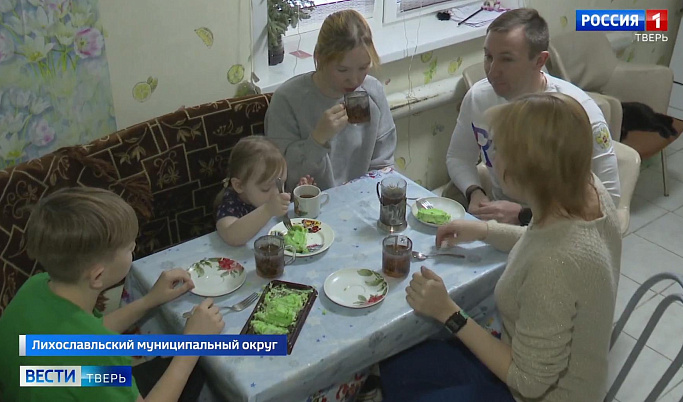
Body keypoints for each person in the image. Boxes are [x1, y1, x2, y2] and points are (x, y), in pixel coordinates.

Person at [380, 93, 622, 402]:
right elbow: (546, 241)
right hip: (527, 362)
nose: (492, 156)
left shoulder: (553, 265)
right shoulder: (584, 188)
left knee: (405, 377)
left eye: (499, 150)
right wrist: (484, 230)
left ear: (522, 171)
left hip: (533, 393)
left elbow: (528, 381)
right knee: (396, 364)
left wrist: (449, 313)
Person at [0, 187, 225, 402]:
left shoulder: (35, 286)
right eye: (129, 248)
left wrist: (149, 300)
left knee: (187, 369)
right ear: (98, 276)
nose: (134, 248)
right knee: (195, 366)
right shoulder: (96, 357)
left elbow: (83, 337)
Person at [446, 8, 621, 225]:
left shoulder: (578, 113)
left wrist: (524, 216)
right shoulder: (478, 98)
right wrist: (475, 192)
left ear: (539, 61)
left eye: (507, 60)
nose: (492, 71)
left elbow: (608, 202)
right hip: (499, 220)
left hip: (559, 232)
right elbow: (458, 156)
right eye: (488, 57)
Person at [265, 9, 396, 191]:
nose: (355, 79)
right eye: (342, 70)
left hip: (363, 198)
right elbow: (281, 181)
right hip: (308, 207)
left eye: (363, 68)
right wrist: (318, 139)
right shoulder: (288, 100)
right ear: (319, 57)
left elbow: (383, 165)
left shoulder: (372, 91)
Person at [215, 136, 313, 246]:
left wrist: (299, 193)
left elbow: (286, 208)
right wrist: (268, 210)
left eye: (281, 184)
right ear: (239, 185)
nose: (277, 193)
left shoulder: (271, 192)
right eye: (265, 188)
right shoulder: (231, 204)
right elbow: (231, 236)